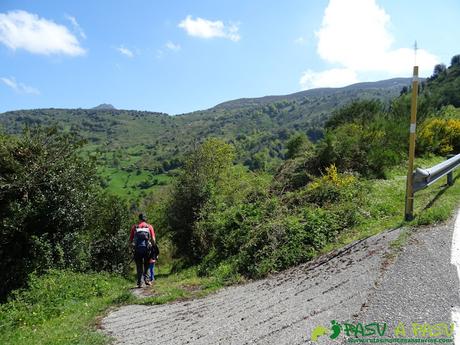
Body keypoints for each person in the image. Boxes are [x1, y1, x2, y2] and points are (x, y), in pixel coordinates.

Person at [129, 213, 156, 288]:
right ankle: (147, 280)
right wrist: (153, 247)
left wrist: (131, 248)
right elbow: (153, 240)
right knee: (146, 265)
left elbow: (130, 240)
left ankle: (140, 282)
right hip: (147, 249)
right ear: (145, 219)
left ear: (139, 219)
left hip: (137, 249)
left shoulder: (135, 227)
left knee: (139, 266)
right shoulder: (149, 227)